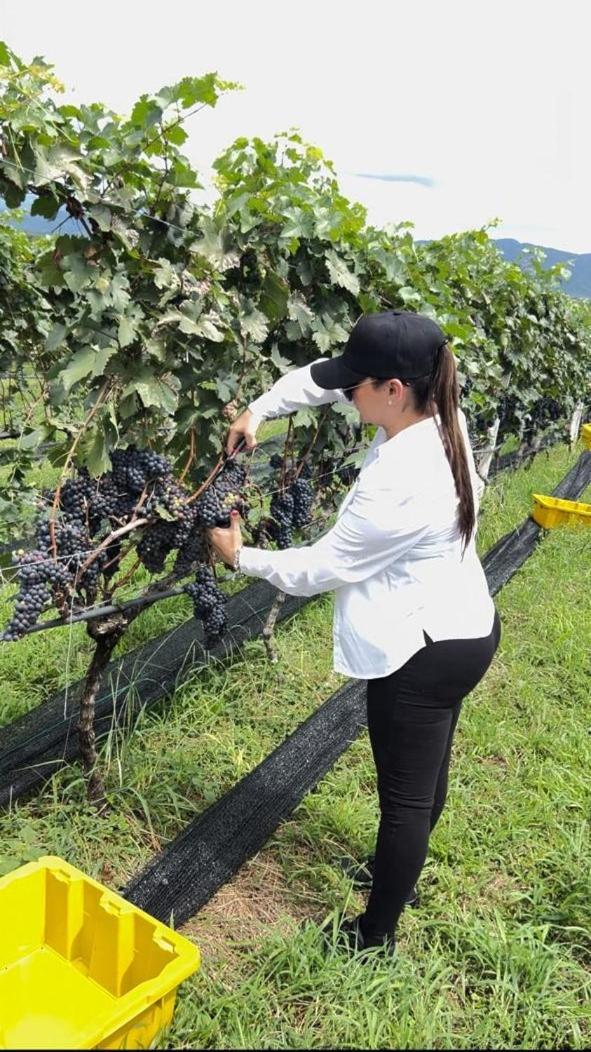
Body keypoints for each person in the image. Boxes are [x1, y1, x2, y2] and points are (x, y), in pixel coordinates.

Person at [208, 310, 501, 955]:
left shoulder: (401, 480)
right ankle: (400, 878)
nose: (344, 393)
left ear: (392, 390)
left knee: (403, 795)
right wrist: (258, 410)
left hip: (425, 649)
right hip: (464, 622)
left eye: (356, 385)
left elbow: (324, 565)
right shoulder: (439, 413)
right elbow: (317, 381)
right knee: (424, 774)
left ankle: (375, 935)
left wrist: (241, 557)